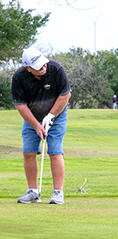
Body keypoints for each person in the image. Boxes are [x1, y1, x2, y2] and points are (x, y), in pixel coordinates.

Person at [12, 47, 71, 204]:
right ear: (28, 68)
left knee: (55, 151)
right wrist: (36, 126)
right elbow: (21, 105)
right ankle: (33, 192)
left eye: (43, 64)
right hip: (32, 117)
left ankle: (58, 193)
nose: (43, 67)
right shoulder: (19, 77)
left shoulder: (55, 69)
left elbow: (65, 95)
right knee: (29, 152)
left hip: (56, 115)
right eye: (38, 67)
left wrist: (51, 116)